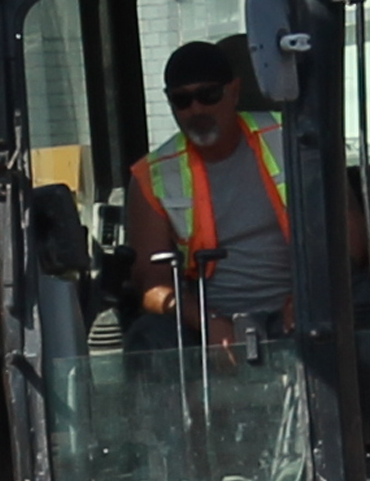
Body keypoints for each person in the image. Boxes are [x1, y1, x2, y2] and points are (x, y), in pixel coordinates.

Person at [125, 39, 300, 358]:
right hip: (210, 324)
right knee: (149, 337)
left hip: (301, 310)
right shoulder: (152, 176)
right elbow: (151, 284)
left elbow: (351, 241)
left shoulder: (296, 138)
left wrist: (309, 297)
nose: (197, 110)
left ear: (234, 92)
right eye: (182, 101)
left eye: (208, 95)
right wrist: (206, 322)